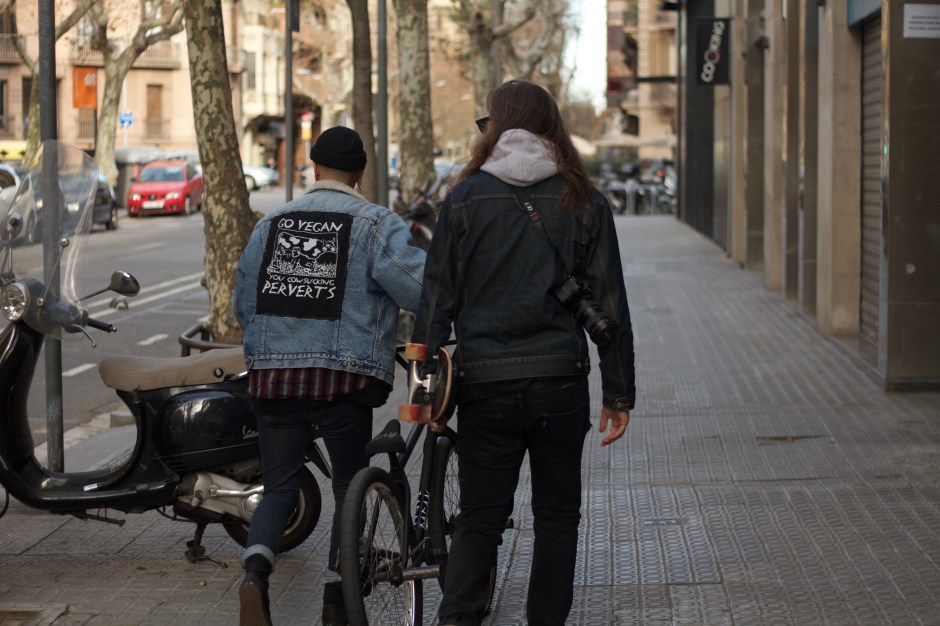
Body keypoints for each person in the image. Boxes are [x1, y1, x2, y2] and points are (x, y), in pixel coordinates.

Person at [411, 79, 635, 626]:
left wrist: (422, 388)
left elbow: (436, 299)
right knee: (557, 518)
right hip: (560, 383)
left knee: (480, 519)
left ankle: (456, 620)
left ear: (496, 127)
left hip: (485, 385)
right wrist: (618, 394)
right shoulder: (584, 199)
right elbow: (610, 305)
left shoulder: (463, 199)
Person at [234, 126, 426, 626]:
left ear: (314, 168)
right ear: (360, 174)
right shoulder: (376, 223)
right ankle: (338, 596)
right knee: (348, 484)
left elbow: (242, 304)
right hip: (344, 380)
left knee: (279, 490)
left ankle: (255, 575)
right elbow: (418, 288)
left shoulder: (269, 224)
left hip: (275, 380)